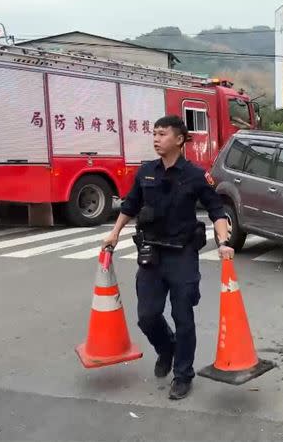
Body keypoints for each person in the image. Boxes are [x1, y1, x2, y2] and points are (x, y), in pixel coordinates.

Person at [102, 115, 234, 400]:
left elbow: (217, 211)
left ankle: (183, 375)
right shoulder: (146, 172)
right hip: (151, 252)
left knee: (183, 316)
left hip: (182, 254)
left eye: (162, 134)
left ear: (179, 139)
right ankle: (167, 348)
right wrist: (114, 232)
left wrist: (223, 241)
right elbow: (130, 204)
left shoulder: (196, 175)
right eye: (154, 134)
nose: (156, 139)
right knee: (147, 316)